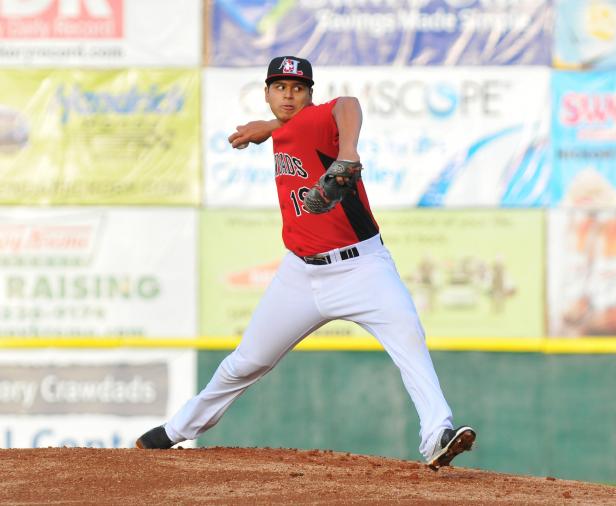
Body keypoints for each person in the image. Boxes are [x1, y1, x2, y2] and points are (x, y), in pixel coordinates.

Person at [136, 56, 476, 469]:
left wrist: (347, 150)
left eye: (297, 88)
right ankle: (177, 430)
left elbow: (346, 103)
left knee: (408, 337)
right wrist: (268, 128)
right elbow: (288, 125)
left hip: (361, 269)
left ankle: (437, 434)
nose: (288, 94)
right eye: (280, 87)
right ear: (266, 94)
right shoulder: (285, 128)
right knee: (246, 362)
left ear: (309, 95)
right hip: (300, 273)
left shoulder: (318, 120)